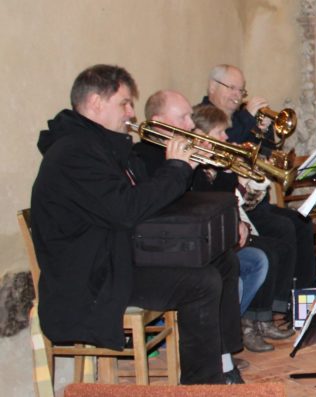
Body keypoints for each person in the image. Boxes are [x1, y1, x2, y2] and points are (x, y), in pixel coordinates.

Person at [31, 65, 243, 384]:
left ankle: (222, 363)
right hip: (92, 278)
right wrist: (174, 168)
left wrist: (189, 169)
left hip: (118, 256)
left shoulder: (107, 147)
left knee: (221, 258)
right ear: (95, 102)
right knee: (202, 282)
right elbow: (126, 210)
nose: (131, 112)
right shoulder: (74, 153)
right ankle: (202, 385)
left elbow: (146, 202)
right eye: (125, 103)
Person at [201, 64, 316, 305]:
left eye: (241, 90)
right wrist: (247, 120)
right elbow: (225, 150)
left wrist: (262, 132)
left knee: (301, 222)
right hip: (235, 204)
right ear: (212, 87)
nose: (237, 94)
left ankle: (305, 299)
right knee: (283, 227)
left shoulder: (241, 119)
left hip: (255, 200)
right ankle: (279, 300)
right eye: (231, 88)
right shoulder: (204, 117)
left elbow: (263, 155)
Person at [190, 104, 286, 352]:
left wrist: (256, 182)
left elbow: (243, 202)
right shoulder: (196, 167)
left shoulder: (218, 163)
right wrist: (240, 189)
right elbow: (211, 202)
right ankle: (244, 324)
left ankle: (257, 319)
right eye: (220, 133)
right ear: (202, 134)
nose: (226, 138)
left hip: (230, 230)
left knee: (273, 249)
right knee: (267, 253)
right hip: (210, 239)